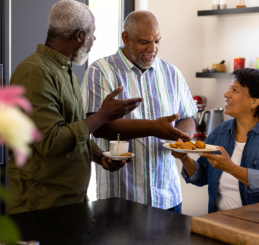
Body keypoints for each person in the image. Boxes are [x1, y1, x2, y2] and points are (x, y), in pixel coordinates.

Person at [6, 0, 142, 214]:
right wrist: (103, 115)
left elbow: (73, 130)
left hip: (70, 201)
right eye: (92, 33)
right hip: (41, 206)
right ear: (79, 36)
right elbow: (50, 141)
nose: (94, 39)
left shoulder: (64, 71)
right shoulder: (35, 72)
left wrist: (100, 156)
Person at [81, 10, 196, 213]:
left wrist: (182, 136)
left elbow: (187, 116)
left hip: (168, 197)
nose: (152, 49)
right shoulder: (100, 71)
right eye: (144, 42)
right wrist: (153, 128)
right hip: (121, 199)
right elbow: (98, 127)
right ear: (126, 38)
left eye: (157, 41)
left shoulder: (171, 72)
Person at [172, 68, 259, 213]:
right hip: (220, 223)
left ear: (254, 101)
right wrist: (184, 158)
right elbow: (201, 176)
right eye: (229, 89)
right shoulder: (220, 132)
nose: (226, 94)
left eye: (235, 90)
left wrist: (231, 167)